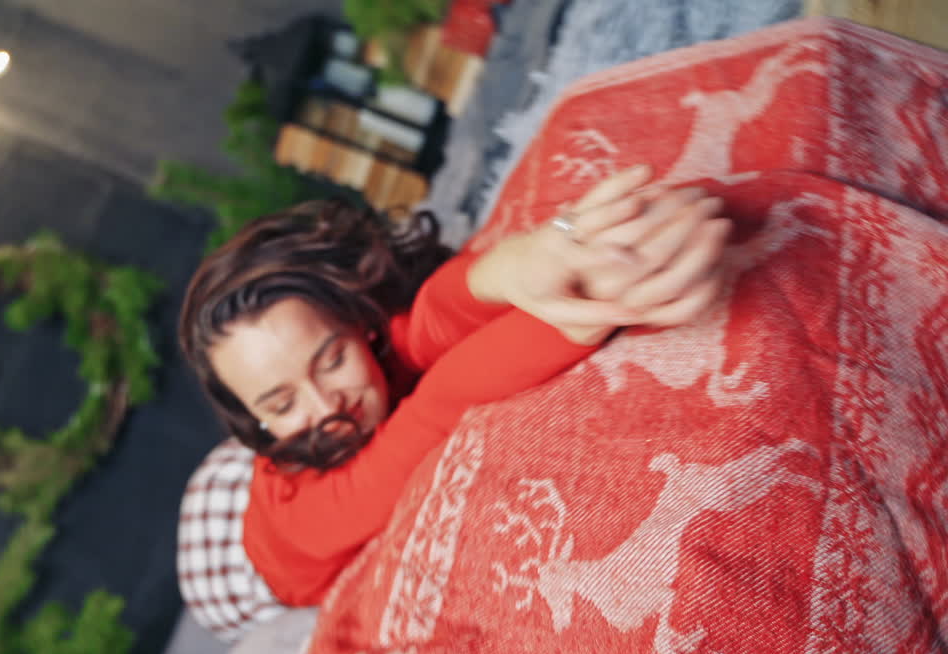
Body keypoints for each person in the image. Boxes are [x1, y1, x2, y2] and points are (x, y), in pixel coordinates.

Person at [178, 165, 731, 607]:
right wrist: (586, 303)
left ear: (357, 325)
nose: (327, 405)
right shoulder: (311, 520)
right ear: (256, 420)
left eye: (332, 358)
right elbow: (434, 411)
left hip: (250, 464)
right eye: (281, 401)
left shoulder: (364, 345)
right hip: (233, 564)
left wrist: (522, 262)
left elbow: (422, 329)